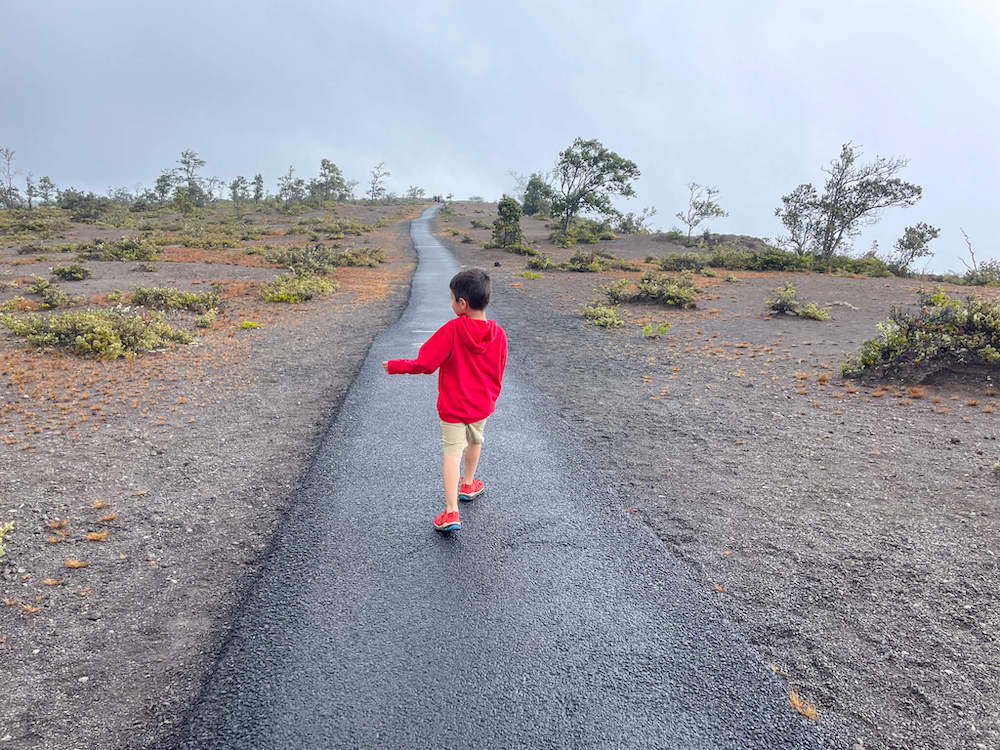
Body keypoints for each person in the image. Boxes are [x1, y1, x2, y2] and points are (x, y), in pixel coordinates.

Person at [383, 268, 508, 532]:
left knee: (452, 452)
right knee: (476, 440)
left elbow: (426, 363)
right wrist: (491, 397)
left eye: (452, 299)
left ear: (462, 304)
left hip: (453, 407)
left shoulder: (453, 330)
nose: (451, 303)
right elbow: (499, 370)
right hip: (481, 405)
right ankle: (469, 483)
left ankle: (451, 511)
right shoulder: (499, 335)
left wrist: (397, 365)